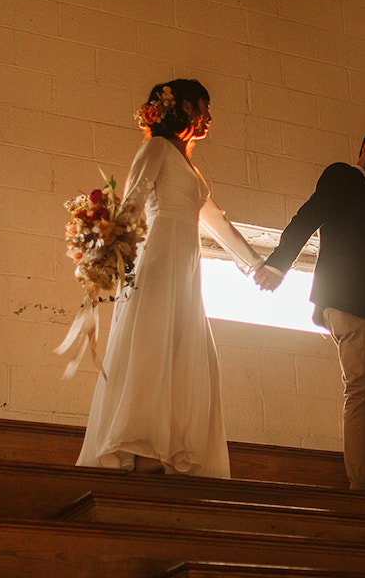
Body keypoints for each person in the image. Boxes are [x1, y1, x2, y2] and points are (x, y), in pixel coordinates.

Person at [76, 79, 262, 477]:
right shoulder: (157, 148)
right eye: (203, 107)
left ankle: (172, 452)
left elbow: (215, 220)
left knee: (189, 352)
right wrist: (104, 250)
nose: (209, 117)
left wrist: (257, 264)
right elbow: (133, 202)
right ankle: (141, 452)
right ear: (182, 108)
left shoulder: (190, 167)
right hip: (158, 261)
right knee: (153, 347)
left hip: (186, 269)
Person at [254, 126, 365, 491]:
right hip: (350, 299)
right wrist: (278, 263)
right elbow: (307, 217)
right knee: (364, 391)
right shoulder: (344, 176)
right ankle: (364, 483)